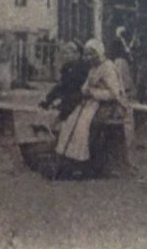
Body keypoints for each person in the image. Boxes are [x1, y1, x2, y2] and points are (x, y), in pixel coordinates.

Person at [53, 39, 127, 179]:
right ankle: (70, 160)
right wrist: (86, 90)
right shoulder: (93, 68)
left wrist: (93, 93)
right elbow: (85, 86)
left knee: (83, 126)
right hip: (91, 103)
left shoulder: (108, 67)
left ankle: (85, 162)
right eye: (86, 55)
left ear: (98, 53)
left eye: (91, 55)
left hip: (108, 105)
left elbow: (114, 94)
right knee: (70, 121)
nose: (88, 58)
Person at [42, 41, 89, 122]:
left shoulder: (83, 67)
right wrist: (49, 99)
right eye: (64, 54)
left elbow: (77, 86)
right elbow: (62, 84)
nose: (65, 56)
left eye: (68, 53)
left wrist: (61, 98)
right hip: (68, 95)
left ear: (77, 54)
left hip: (78, 95)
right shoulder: (66, 67)